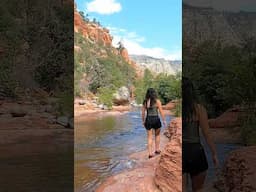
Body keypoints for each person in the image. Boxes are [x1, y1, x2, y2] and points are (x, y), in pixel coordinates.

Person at [182, 77, 219, 192]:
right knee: (198, 189)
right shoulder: (199, 109)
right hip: (196, 152)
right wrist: (214, 154)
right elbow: (207, 133)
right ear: (192, 91)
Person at [141, 88, 166, 159]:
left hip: (148, 119)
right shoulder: (157, 101)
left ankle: (150, 153)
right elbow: (161, 111)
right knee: (157, 135)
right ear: (154, 93)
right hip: (156, 119)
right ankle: (157, 150)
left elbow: (143, 113)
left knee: (149, 137)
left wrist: (143, 121)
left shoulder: (145, 102)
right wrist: (164, 120)